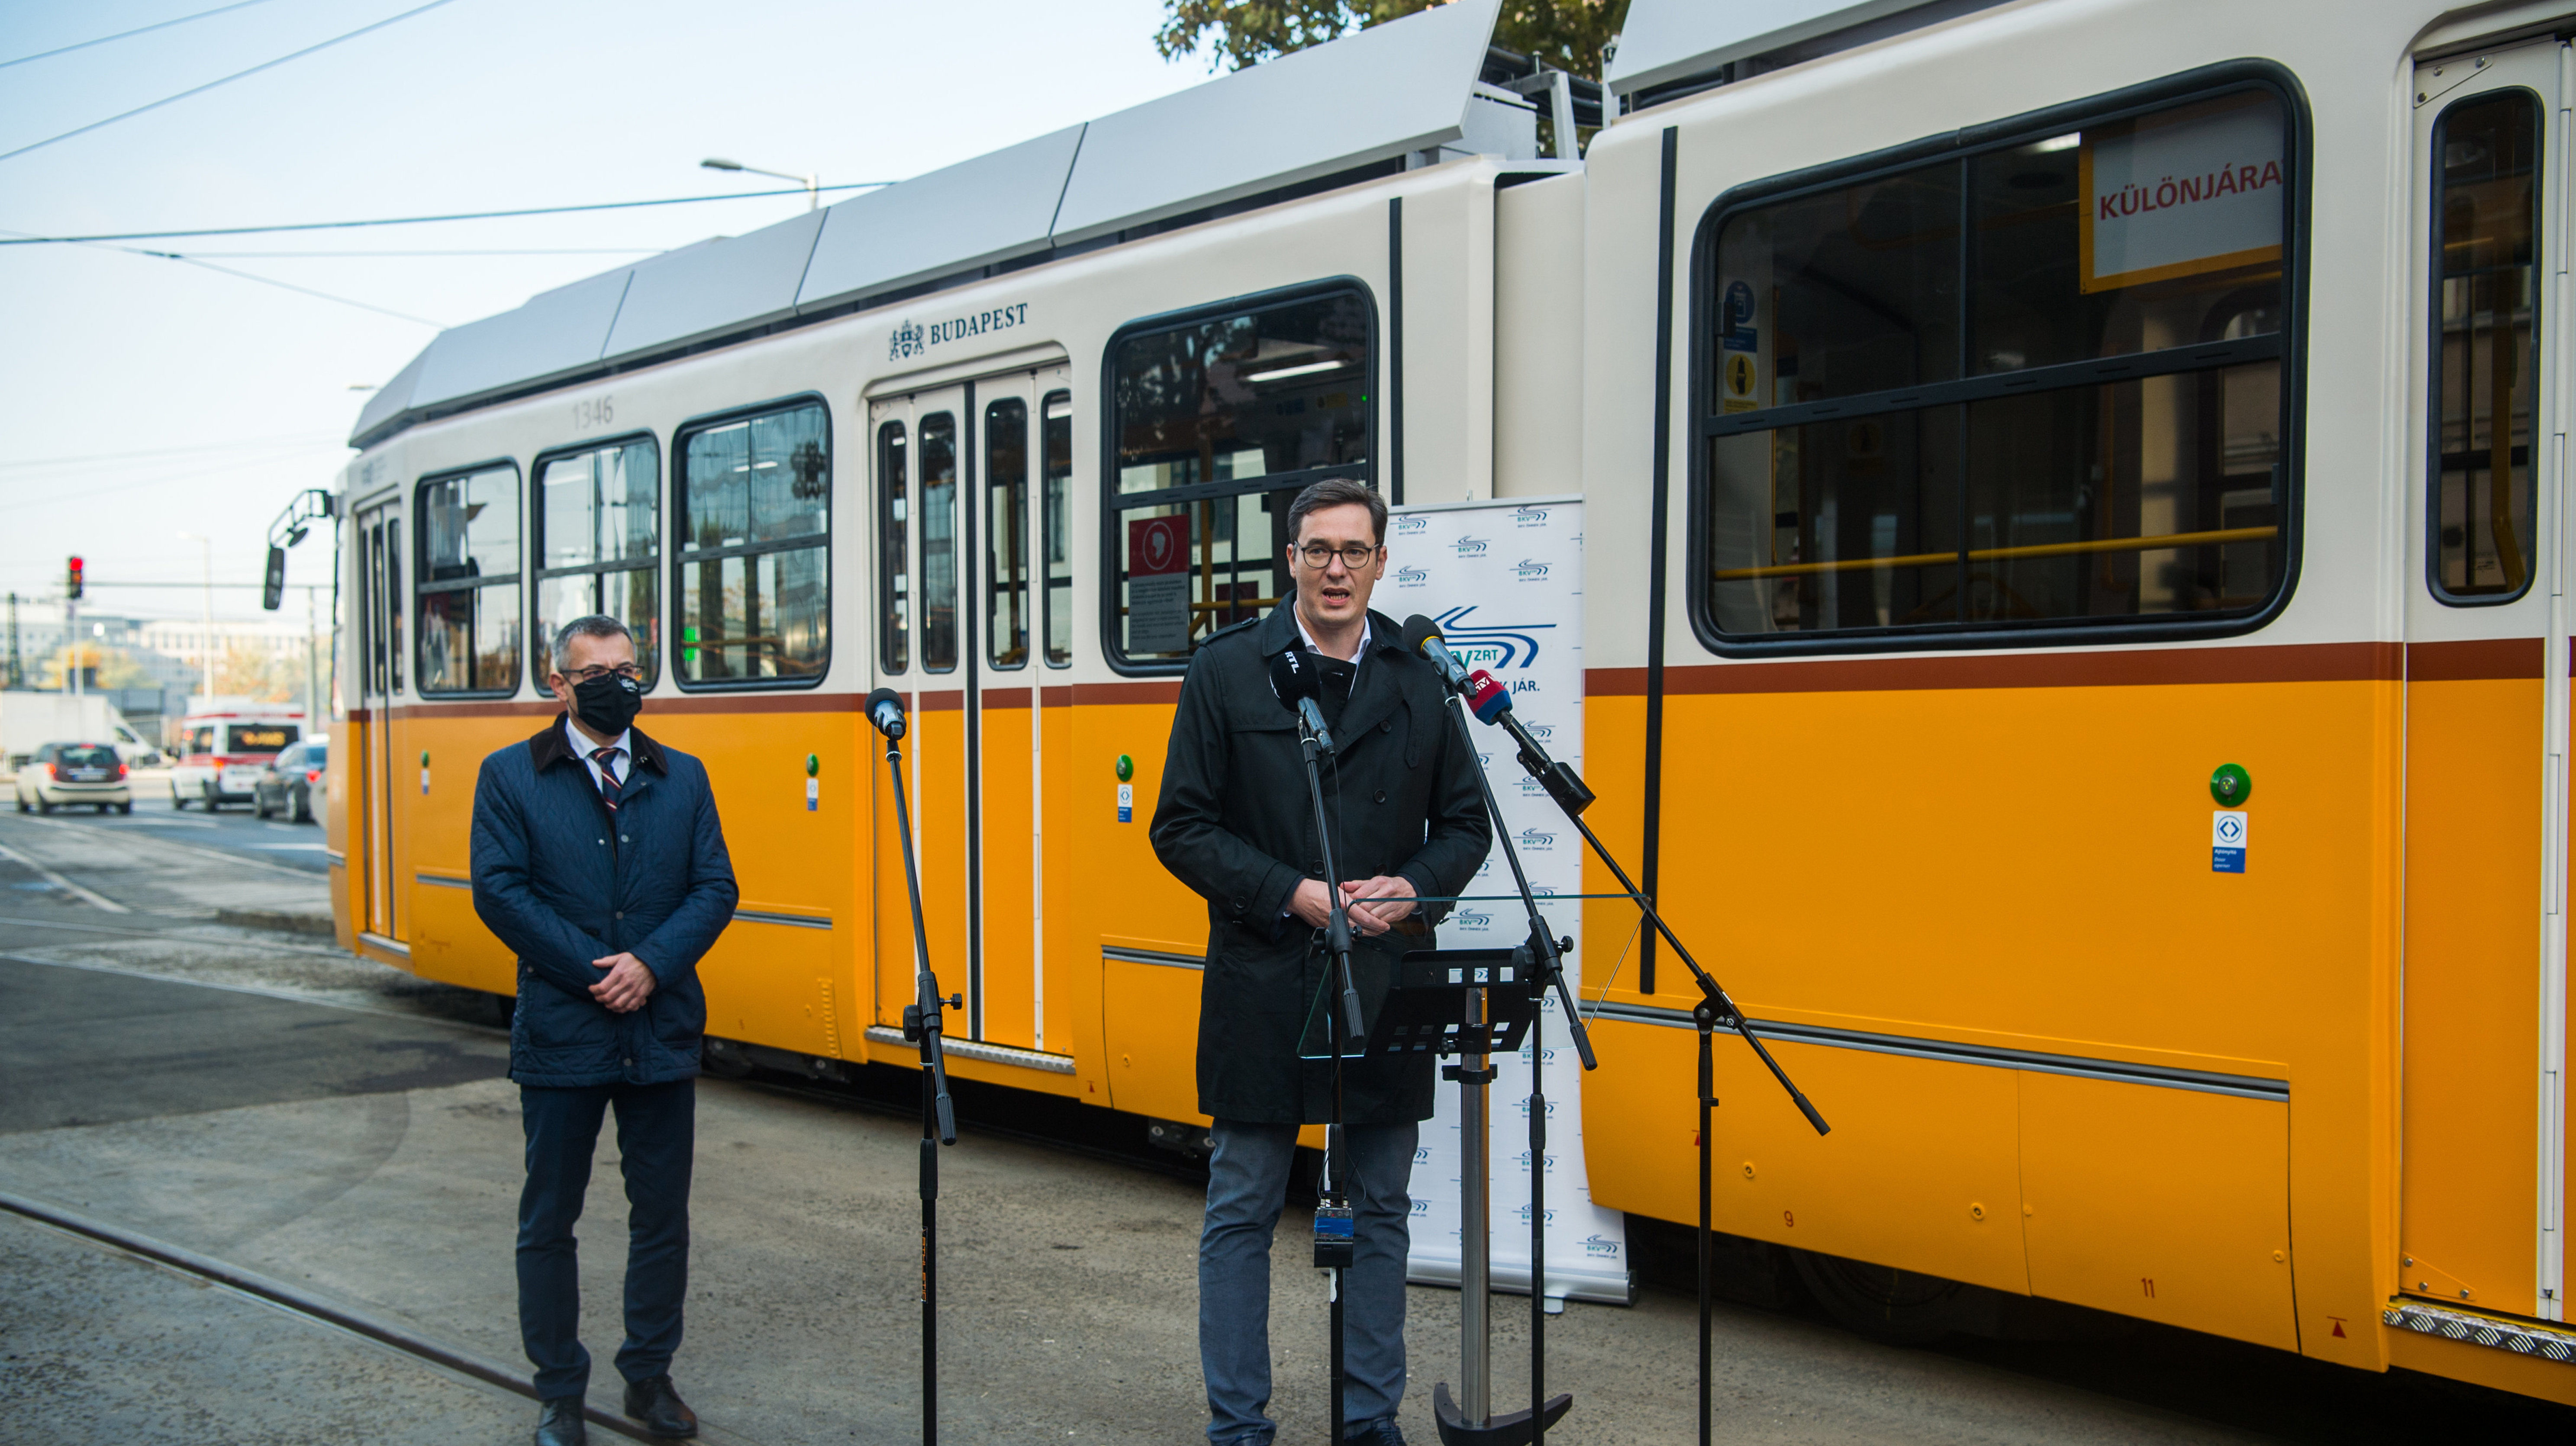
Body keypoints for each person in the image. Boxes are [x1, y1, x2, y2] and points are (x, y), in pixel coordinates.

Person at [1151, 477, 1492, 1446]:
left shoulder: (1421, 675)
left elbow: (1465, 823)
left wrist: (1413, 886)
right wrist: (1289, 891)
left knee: (1381, 1205)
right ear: (1290, 560)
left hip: (1386, 981)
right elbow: (1181, 827)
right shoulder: (1227, 671)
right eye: (1317, 550)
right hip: (1265, 978)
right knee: (1244, 1205)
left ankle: (1368, 1417)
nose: (1336, 568)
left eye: (1354, 550)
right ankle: (1239, 1425)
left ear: (1383, 562)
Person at [471, 615, 738, 1446]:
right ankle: (559, 1392)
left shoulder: (682, 776)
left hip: (659, 1031)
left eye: (631, 669)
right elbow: (500, 892)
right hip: (563, 1033)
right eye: (599, 672)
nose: (620, 684)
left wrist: (651, 966)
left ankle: (649, 1379)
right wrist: (601, 971)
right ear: (559, 684)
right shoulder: (511, 776)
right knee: (549, 1217)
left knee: (661, 1216)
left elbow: (715, 887)